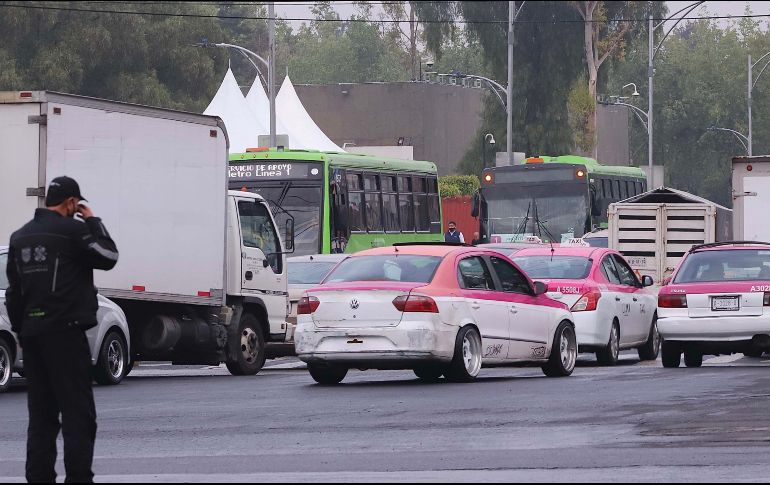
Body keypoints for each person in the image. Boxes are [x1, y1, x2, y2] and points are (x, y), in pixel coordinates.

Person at [5, 176, 119, 483]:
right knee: (77, 414)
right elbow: (109, 255)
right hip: (66, 334)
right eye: (76, 205)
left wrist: (22, 330)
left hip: (32, 336)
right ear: (71, 203)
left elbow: (14, 294)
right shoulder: (73, 231)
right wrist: (92, 219)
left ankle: (38, 478)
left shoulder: (19, 237)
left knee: (41, 417)